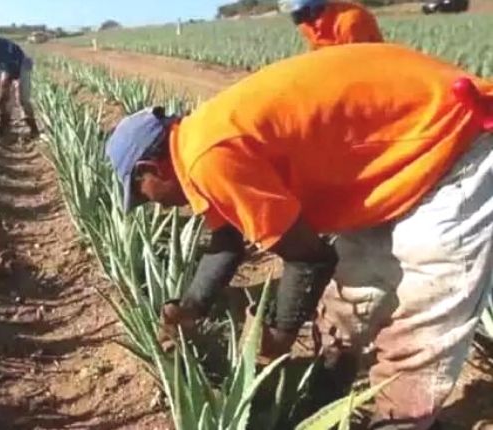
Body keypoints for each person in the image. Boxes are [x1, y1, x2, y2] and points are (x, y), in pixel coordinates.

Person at [104, 43, 493, 430]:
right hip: (393, 159)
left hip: (453, 139)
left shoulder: (210, 157)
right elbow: (227, 242)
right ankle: (322, 397)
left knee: (421, 321)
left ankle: (399, 421)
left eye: (142, 196)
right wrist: (189, 306)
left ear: (150, 168)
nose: (153, 206)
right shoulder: (195, 144)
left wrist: (276, 336)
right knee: (347, 304)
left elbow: (310, 258)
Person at [284, 0, 383, 50]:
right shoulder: (306, 25)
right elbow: (315, 57)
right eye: (296, 17)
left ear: (314, 11)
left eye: (299, 15)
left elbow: (360, 62)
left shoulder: (350, 22)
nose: (302, 23)